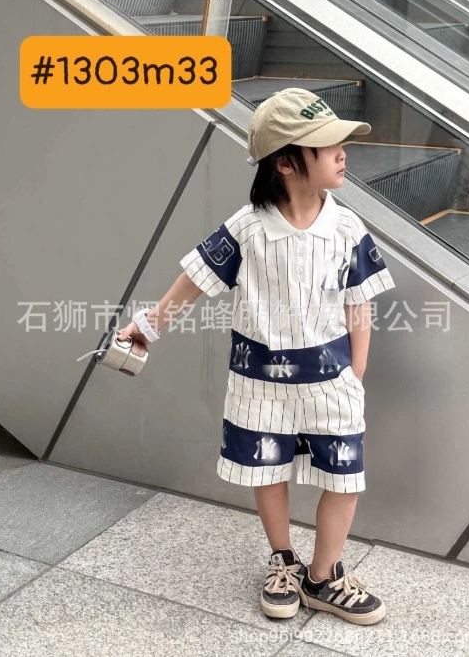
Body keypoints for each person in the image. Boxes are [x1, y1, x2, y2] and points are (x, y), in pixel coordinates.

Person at [118, 88, 396, 626]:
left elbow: (358, 303)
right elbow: (193, 282)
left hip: (331, 381)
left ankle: (323, 576)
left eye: (340, 142)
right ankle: (284, 560)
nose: (342, 153)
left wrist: (356, 374)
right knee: (267, 470)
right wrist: (147, 327)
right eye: (327, 145)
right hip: (258, 382)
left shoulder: (347, 228)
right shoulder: (247, 228)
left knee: (345, 477)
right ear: (286, 163)